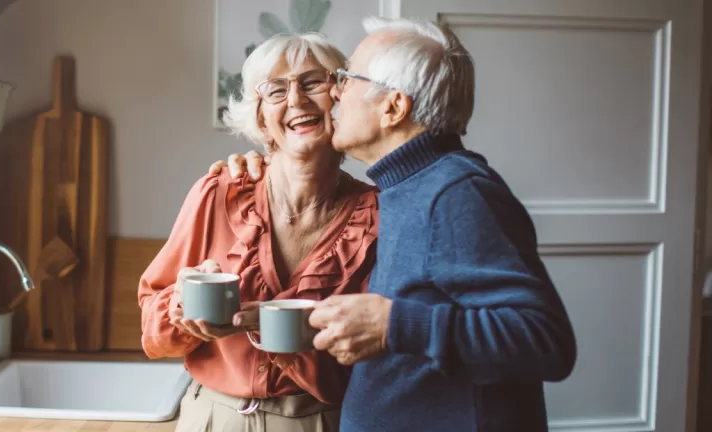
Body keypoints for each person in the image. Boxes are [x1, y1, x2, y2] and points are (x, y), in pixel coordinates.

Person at [210, 16, 577, 432]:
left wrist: (393, 326)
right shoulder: (407, 187)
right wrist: (320, 321)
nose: (334, 91)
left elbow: (545, 341)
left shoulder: (456, 194)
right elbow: (423, 309)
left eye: (346, 78)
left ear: (393, 107)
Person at [138, 32, 379, 432]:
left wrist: (270, 324)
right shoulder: (217, 192)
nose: (297, 100)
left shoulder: (377, 215)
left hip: (321, 421)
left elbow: (378, 353)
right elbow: (151, 330)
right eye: (276, 91)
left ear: (340, 99)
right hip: (213, 418)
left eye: (313, 82)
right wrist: (177, 309)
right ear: (262, 119)